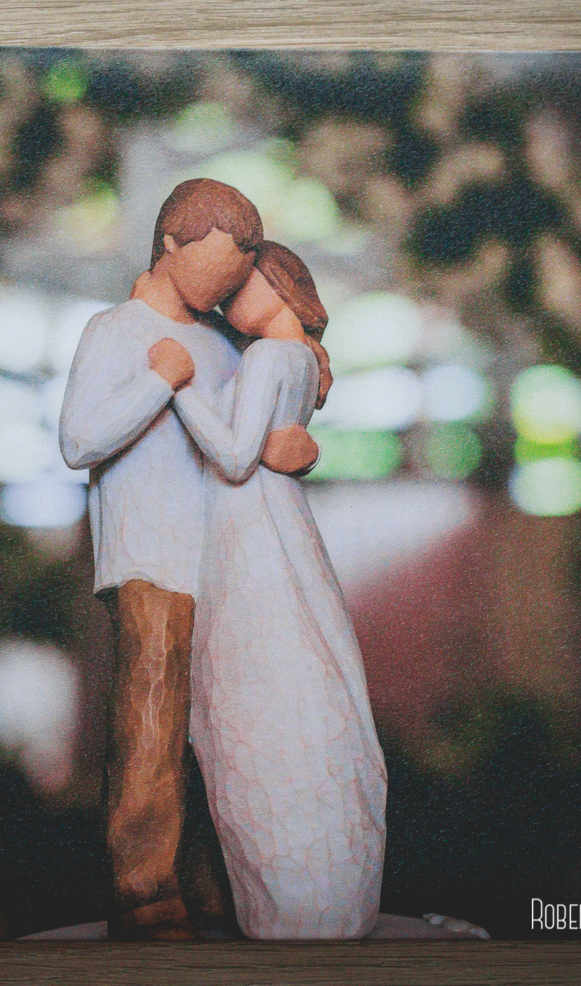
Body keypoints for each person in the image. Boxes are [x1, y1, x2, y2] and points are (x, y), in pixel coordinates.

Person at [57, 180, 318, 940]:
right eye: (217, 262)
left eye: (239, 271)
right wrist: (156, 381)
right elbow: (78, 440)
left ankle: (212, 881)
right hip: (151, 555)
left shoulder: (226, 346)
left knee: (221, 718)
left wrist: (295, 446)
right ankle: (143, 887)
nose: (228, 284)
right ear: (171, 244)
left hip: (229, 558)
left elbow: (250, 432)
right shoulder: (115, 331)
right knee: (154, 711)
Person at [153, 241, 388, 939]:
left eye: (241, 286)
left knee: (256, 686)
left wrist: (177, 387)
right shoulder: (299, 362)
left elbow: (232, 456)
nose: (228, 299)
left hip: (248, 527)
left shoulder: (266, 358)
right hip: (275, 523)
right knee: (296, 676)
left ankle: (288, 896)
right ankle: (319, 889)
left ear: (281, 286)